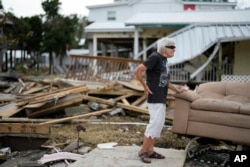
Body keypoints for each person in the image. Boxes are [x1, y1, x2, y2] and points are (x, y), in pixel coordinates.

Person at [134, 37, 186, 163]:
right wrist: (145, 86)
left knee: (159, 124)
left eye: (175, 47)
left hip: (161, 96)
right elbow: (137, 71)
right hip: (155, 95)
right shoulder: (155, 57)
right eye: (172, 47)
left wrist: (177, 90)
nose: (174, 49)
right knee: (154, 124)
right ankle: (143, 151)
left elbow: (165, 81)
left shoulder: (164, 61)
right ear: (163, 49)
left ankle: (150, 150)